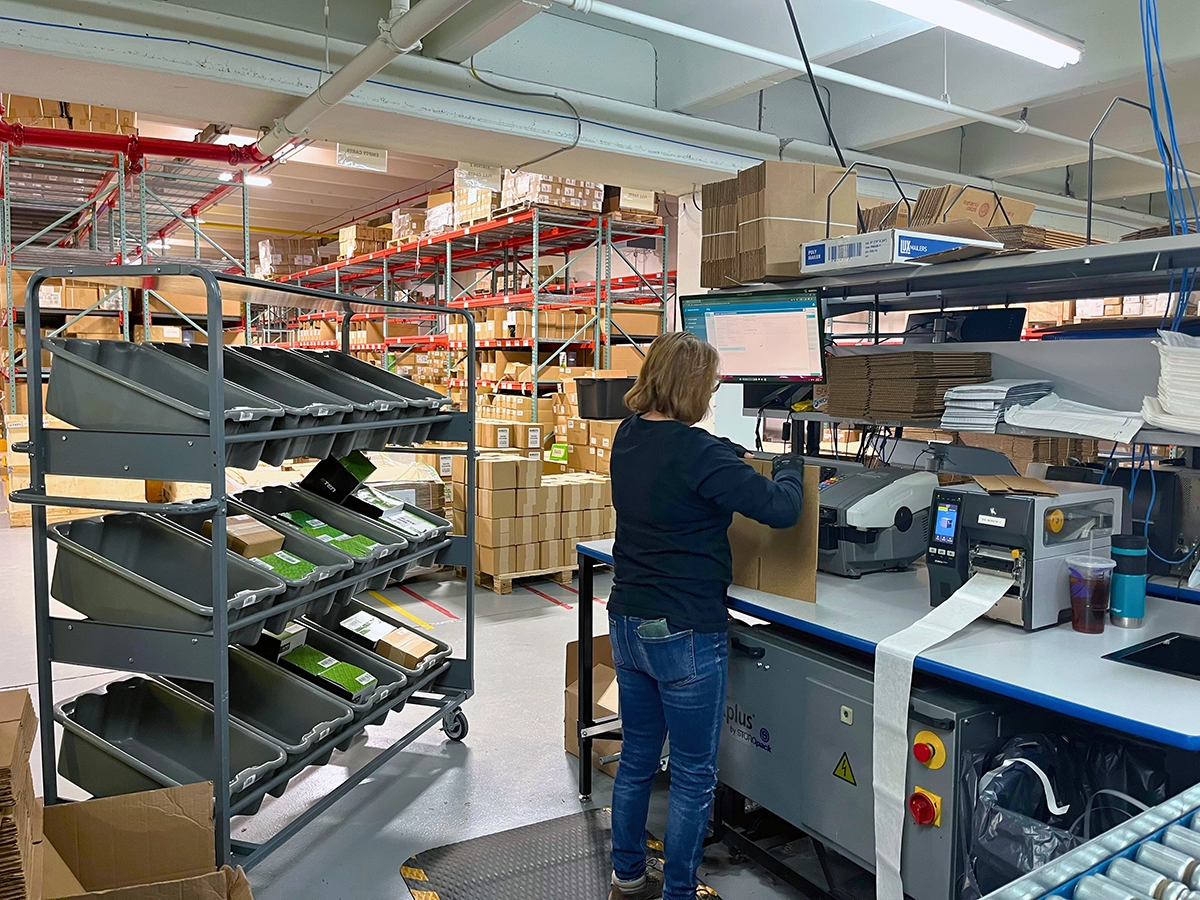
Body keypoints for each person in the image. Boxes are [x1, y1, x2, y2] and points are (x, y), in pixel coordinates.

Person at [606, 331, 806, 900]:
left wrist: (732, 457)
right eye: (713, 383)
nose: (716, 391)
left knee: (640, 757)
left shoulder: (629, 436)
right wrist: (789, 460)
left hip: (628, 619)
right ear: (695, 386)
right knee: (694, 774)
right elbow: (782, 509)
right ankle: (677, 892)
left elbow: (692, 466)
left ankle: (626, 874)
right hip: (686, 631)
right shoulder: (701, 454)